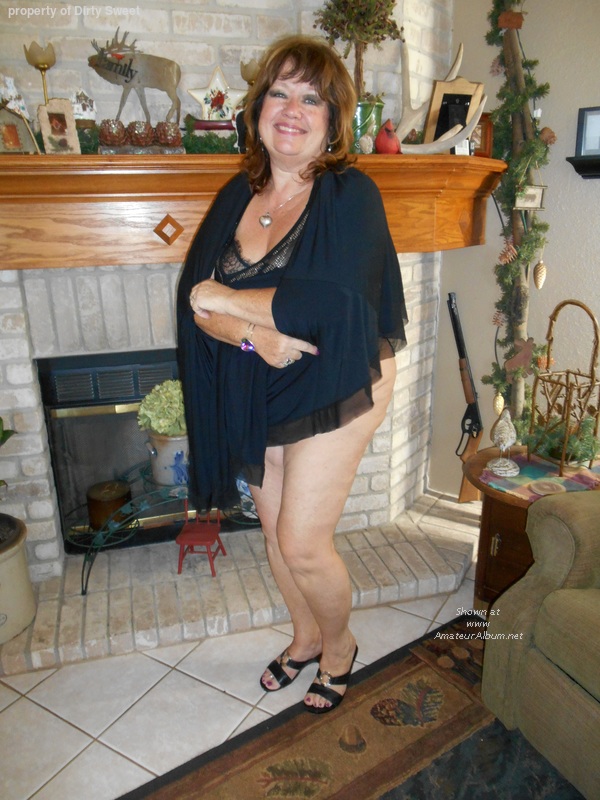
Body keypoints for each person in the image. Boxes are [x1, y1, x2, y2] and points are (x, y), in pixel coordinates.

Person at [177, 34, 407, 713]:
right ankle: (305, 638)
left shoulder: (351, 194)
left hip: (343, 377)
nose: (292, 109)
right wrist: (250, 331)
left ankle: (340, 648)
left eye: (311, 98)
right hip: (263, 375)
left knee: (303, 543)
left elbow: (329, 306)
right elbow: (198, 308)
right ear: (257, 110)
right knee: (275, 532)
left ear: (332, 120)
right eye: (279, 93)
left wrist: (222, 297)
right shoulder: (236, 195)